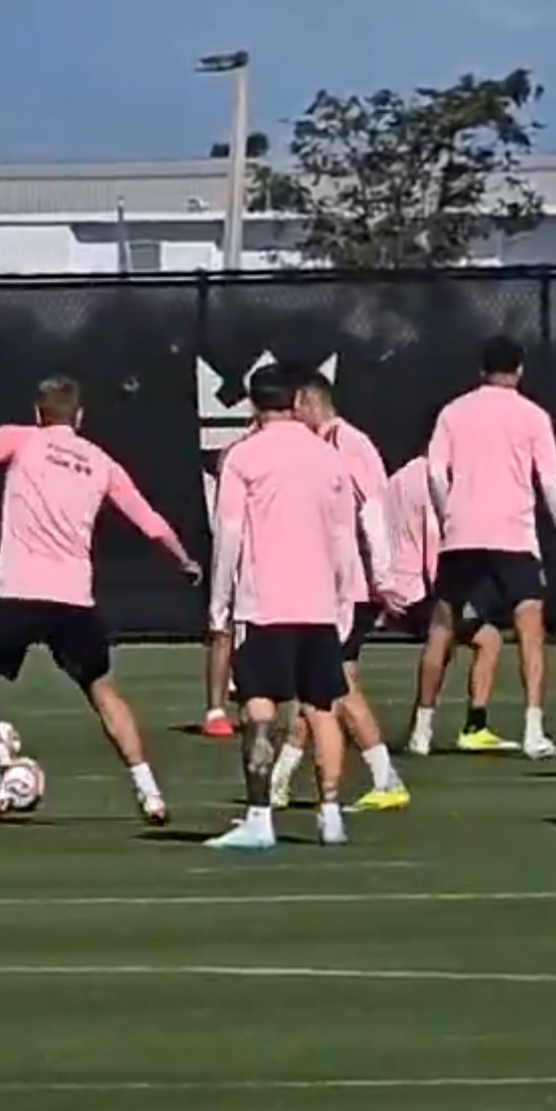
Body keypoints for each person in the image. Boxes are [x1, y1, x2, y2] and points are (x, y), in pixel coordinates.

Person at [0, 376, 198, 825]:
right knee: (103, 691)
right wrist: (184, 559)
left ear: (38, 413)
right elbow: (149, 521)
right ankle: (149, 792)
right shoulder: (100, 461)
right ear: (79, 417)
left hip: (17, 593)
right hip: (73, 599)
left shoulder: (22, 439)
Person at [204, 363, 365, 852]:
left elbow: (228, 535)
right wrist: (344, 599)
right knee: (322, 708)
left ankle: (259, 819)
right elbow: (344, 536)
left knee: (258, 706)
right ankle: (330, 815)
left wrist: (219, 603)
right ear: (296, 401)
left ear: (253, 404)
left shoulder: (243, 456)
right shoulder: (328, 456)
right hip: (318, 605)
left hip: (264, 606)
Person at [415, 337, 556, 759]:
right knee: (530, 631)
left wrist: (450, 514)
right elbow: (551, 482)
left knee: (442, 630)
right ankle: (533, 731)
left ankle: (422, 730)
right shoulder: (534, 416)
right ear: (520, 370)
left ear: (481, 369)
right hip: (514, 538)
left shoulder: (453, 412)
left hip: (461, 537)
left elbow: (435, 473)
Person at [261, 373, 408, 811]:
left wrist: (382, 579)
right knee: (320, 688)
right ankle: (280, 781)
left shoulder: (345, 443)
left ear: (307, 401)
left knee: (334, 686)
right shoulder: (327, 444)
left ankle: (385, 777)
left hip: (350, 588)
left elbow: (372, 513)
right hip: (336, 585)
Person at [383, 454, 506, 747]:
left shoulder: (398, 478)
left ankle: (421, 727)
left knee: (461, 643)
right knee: (472, 640)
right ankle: (446, 730)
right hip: (419, 587)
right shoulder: (433, 480)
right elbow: (433, 536)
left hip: (395, 584)